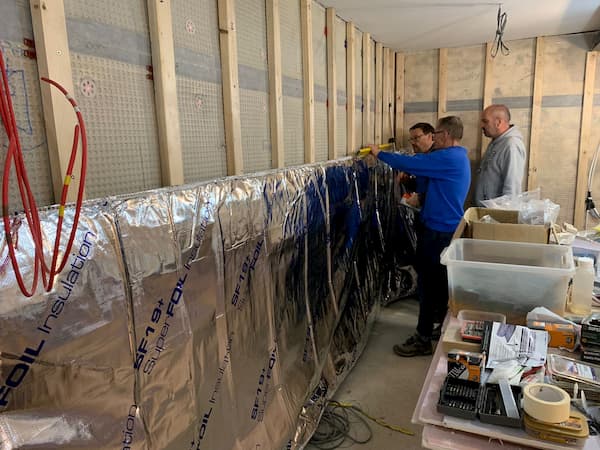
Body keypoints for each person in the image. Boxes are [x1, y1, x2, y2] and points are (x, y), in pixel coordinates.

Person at [370, 116, 471, 357]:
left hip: (439, 231)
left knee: (427, 284)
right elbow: (426, 183)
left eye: (435, 134)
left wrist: (378, 154)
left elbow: (412, 164)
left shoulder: (448, 157)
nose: (434, 137)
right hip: (443, 229)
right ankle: (436, 328)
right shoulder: (455, 157)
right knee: (438, 284)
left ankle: (423, 338)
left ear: (445, 135)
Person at [474, 104, 526, 206]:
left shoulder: (511, 145)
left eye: (485, 121)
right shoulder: (497, 143)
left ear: (498, 122)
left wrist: (503, 217)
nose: (482, 126)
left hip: (496, 217)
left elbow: (512, 189)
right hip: (487, 214)